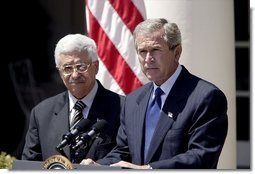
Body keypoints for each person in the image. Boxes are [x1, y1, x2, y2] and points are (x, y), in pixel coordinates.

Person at [80, 18, 228, 169]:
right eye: (142, 51)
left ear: (177, 53)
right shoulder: (133, 100)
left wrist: (149, 170)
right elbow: (123, 152)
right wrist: (98, 165)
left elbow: (202, 157)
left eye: (155, 50)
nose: (148, 59)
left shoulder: (205, 97)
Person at [22, 34, 124, 163]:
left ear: (96, 67)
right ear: (59, 72)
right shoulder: (41, 113)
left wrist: (100, 167)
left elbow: (126, 153)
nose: (75, 75)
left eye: (81, 67)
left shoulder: (122, 108)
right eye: (67, 68)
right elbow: (29, 164)